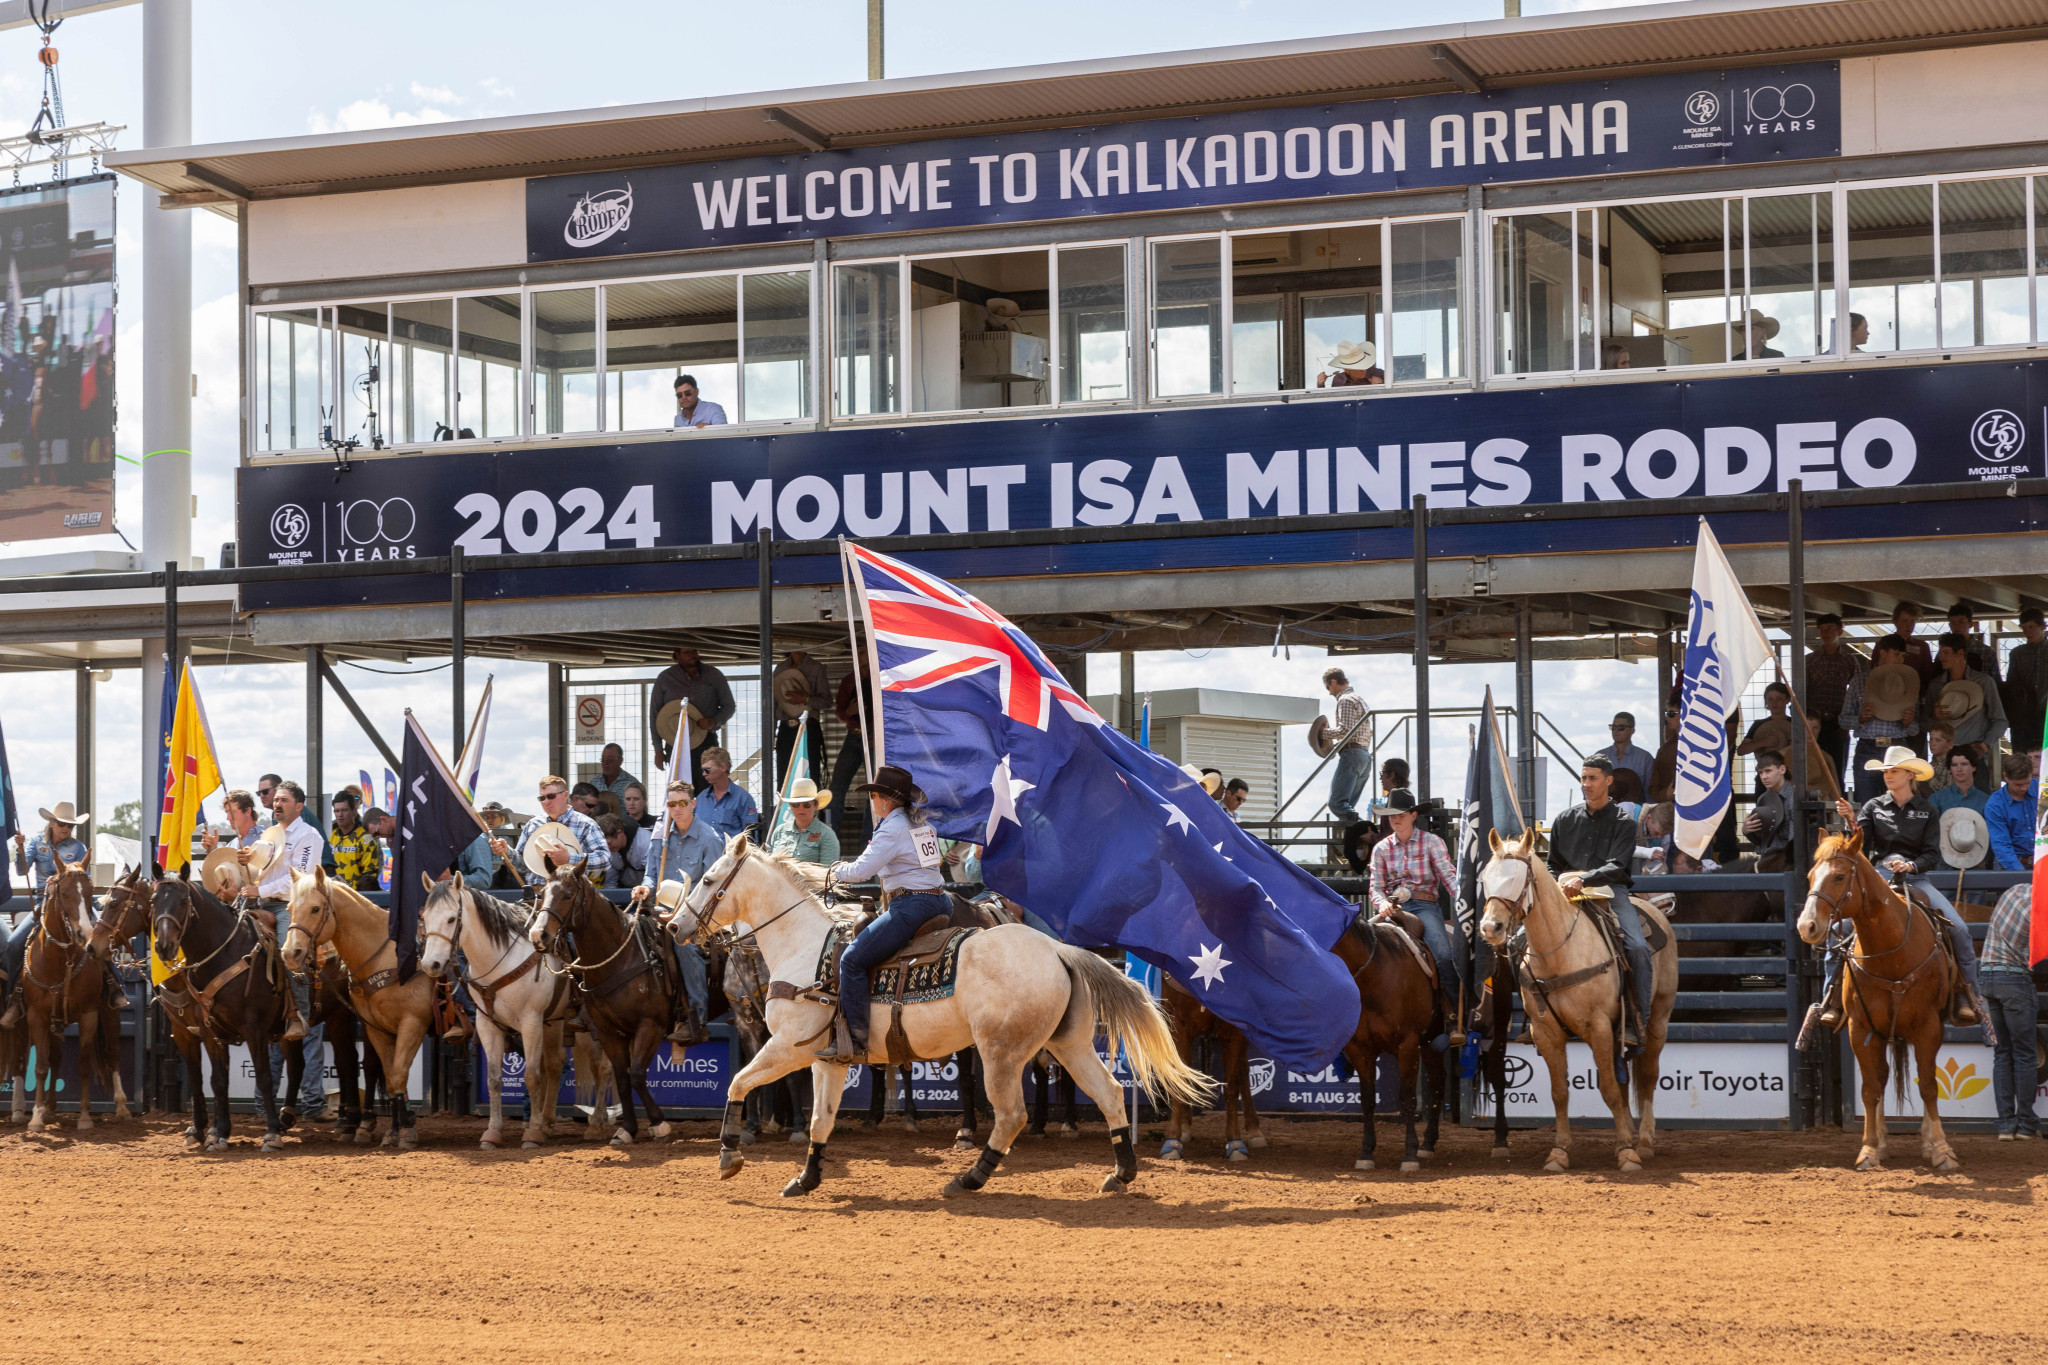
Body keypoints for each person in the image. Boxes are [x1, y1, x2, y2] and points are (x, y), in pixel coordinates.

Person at [1821, 746, 1987, 1034]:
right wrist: (1850, 820)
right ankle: (1830, 999)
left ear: (1910, 775)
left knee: (1959, 929)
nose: (1888, 775)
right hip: (1879, 878)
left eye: (1894, 771)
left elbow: (1932, 854)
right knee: (1839, 929)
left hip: (1917, 879)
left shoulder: (1928, 809)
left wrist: (1911, 866)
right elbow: (1859, 845)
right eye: (1885, 771)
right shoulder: (1873, 806)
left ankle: (1968, 995)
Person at [818, 766, 949, 1061]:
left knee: (851, 960)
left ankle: (856, 1040)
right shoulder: (922, 823)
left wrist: (836, 870)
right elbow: (934, 863)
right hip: (941, 902)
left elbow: (862, 870)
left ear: (886, 801)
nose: (872, 802)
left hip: (911, 907)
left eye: (874, 796)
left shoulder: (892, 827)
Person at [1547, 756, 1652, 1056]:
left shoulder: (1622, 821)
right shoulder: (1564, 820)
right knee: (1522, 941)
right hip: (1566, 890)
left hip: (1609, 890)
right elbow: (1553, 864)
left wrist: (1583, 879)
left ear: (1608, 781)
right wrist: (1558, 886)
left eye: (1592, 778)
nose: (1586, 784)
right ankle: (1535, 1014)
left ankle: (1637, 1019)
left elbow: (1618, 866)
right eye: (1583, 778)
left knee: (1637, 947)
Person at [1366, 788, 1463, 1043]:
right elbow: (1375, 886)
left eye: (1401, 814)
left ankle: (1453, 1015)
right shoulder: (1380, 849)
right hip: (1393, 909)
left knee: (1442, 953)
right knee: (1361, 952)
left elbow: (1448, 876)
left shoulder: (1431, 842)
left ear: (1413, 815)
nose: (1395, 819)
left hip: (1424, 906)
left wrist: (1464, 902)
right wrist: (1382, 903)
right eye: (1391, 815)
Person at [632, 780, 724, 1045]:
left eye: (683, 803)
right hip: (659, 909)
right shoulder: (659, 839)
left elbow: (715, 887)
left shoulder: (709, 838)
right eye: (672, 803)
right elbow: (650, 875)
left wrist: (684, 906)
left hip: (696, 913)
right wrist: (644, 888)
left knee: (683, 945)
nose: (677, 808)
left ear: (693, 804)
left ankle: (697, 1018)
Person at [255, 782, 324, 1114]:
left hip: (288, 906)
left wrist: (258, 887)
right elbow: (257, 869)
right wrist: (245, 865)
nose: (277, 804)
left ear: (299, 806)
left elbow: (302, 878)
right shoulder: (268, 835)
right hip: (258, 899)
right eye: (275, 800)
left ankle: (300, 1015)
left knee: (291, 954)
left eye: (283, 800)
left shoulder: (309, 836)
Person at [0, 801, 96, 1028]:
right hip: (45, 902)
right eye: (62, 824)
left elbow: (84, 875)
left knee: (101, 931)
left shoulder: (79, 848)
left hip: (74, 902)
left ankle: (114, 986)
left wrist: (64, 878)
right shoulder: (35, 843)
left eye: (70, 826)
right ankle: (15, 998)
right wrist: (21, 851)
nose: (66, 829)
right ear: (52, 823)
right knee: (13, 944)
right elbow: (22, 870)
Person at [1980, 883, 2038, 1140]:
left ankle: (2005, 1124)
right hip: (2014, 978)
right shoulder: (2041, 910)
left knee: (2001, 1052)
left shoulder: (2015, 890)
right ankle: (2026, 1124)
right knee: (2024, 1052)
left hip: (1987, 976)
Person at [1840, 633, 1922, 802]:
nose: (1900, 660)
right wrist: (1860, 719)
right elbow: (1843, 719)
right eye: (1896, 654)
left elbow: (1916, 728)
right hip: (1867, 748)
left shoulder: (1908, 683)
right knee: (1867, 803)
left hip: (1898, 747)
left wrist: (1908, 723)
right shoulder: (1860, 681)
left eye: (1902, 656)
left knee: (1900, 803)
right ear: (1882, 653)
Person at [492, 775, 608, 890]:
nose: (546, 802)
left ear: (565, 795)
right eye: (542, 798)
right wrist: (507, 851)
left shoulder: (586, 824)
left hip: (569, 896)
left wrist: (568, 858)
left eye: (551, 796)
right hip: (536, 894)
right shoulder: (533, 825)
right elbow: (523, 865)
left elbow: (605, 859)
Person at [1925, 631, 2006, 792]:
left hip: (1973, 755)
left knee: (1979, 807)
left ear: (1960, 653)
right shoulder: (1936, 685)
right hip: (1943, 759)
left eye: (1946, 652)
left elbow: (2000, 720)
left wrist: (1984, 746)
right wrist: (1935, 716)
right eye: (1940, 652)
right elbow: (1923, 722)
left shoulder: (1984, 682)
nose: (1941, 657)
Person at [648, 646, 736, 788]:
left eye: (694, 651)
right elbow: (655, 716)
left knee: (709, 786)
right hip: (675, 742)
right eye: (687, 652)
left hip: (707, 742)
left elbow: (729, 706)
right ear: (677, 655)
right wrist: (658, 750)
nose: (692, 655)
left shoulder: (714, 675)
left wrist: (713, 720)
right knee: (681, 789)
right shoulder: (665, 678)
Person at [1804, 613, 1865, 781]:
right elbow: (1801, 692)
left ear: (1840, 632)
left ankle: (1837, 804)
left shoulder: (1850, 660)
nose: (1825, 633)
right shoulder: (1810, 660)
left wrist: (1846, 725)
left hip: (1839, 723)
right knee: (1812, 768)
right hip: (1814, 724)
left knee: (1838, 770)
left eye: (1830, 629)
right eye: (1822, 629)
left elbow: (1858, 694)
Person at [771, 649, 831, 791]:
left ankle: (812, 811)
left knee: (810, 776)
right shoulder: (780, 668)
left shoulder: (817, 667)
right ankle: (784, 811)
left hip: (808, 727)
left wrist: (806, 699)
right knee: (784, 777)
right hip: (785, 728)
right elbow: (774, 704)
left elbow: (827, 701)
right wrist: (771, 734)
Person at [1321, 667, 1373, 824]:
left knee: (1337, 804)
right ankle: (1360, 830)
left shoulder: (1345, 700)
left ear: (1334, 682)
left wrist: (1323, 733)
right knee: (1348, 805)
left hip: (1352, 754)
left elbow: (1346, 729)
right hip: (1364, 755)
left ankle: (1363, 827)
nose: (1329, 693)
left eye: (1328, 687)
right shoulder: (1358, 698)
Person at [829, 652, 876, 820]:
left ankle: (869, 841)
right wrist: (850, 711)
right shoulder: (849, 681)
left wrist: (876, 735)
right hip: (853, 736)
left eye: (864, 652)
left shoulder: (881, 678)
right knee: (836, 787)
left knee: (874, 789)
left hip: (873, 738)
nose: (862, 657)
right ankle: (830, 832)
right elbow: (840, 714)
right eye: (860, 654)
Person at [2002, 607, 2047, 754]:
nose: (2028, 632)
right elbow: (2012, 686)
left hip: (2045, 713)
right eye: (2024, 628)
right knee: (2022, 758)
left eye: (2031, 627)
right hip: (2023, 715)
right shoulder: (2017, 653)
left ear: (2043, 627)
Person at [1985, 752, 2039, 872]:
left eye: (2027, 783)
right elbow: (2002, 846)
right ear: (2006, 777)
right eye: (2018, 784)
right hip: (2010, 863)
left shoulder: (2042, 790)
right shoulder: (1995, 804)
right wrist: (2020, 875)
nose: (2024, 788)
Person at [768, 778, 840, 865]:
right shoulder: (779, 831)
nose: (801, 808)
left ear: (815, 805)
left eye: (807, 804)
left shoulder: (827, 835)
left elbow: (827, 874)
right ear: (790, 806)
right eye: (796, 804)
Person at [694, 748, 758, 842]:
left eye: (707, 770)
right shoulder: (700, 799)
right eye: (702, 770)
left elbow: (751, 838)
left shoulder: (743, 799)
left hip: (730, 855)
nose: (704, 774)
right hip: (703, 855)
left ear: (723, 768)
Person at [1743, 751, 1795, 861]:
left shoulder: (1793, 797)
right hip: (1768, 859)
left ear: (1782, 769)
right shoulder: (1763, 798)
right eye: (1760, 772)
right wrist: (1747, 831)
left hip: (1788, 860)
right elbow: (1763, 840)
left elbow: (1795, 840)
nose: (1764, 777)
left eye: (1768, 771)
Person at [327, 787, 381, 892]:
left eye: (344, 810)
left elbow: (370, 875)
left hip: (357, 897)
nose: (340, 815)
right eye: (337, 811)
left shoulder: (366, 838)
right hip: (333, 896)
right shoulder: (330, 835)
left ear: (353, 811)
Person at [1592, 711, 1656, 795]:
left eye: (1621, 727)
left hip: (1637, 807)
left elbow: (1650, 791)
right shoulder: (1599, 757)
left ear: (1632, 730)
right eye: (1613, 727)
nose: (1615, 731)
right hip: (1604, 807)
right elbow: (1589, 784)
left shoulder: (1645, 758)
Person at [1944, 602, 1997, 679]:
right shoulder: (1945, 651)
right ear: (1949, 625)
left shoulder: (1987, 652)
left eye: (1961, 622)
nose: (1957, 626)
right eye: (1953, 622)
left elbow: (1996, 682)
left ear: (1970, 624)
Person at [1890, 603, 1937, 687]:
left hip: (1914, 693)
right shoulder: (1884, 644)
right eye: (1904, 621)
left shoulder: (1922, 646)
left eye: (1912, 621)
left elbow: (1927, 675)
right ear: (1894, 621)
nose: (1909, 626)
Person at [1930, 750, 1989, 816]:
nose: (1959, 769)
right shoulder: (1936, 799)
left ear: (1974, 767)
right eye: (1954, 765)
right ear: (1950, 769)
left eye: (1964, 764)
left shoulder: (1986, 800)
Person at [598, 813, 648, 890]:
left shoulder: (646, 843)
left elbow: (654, 876)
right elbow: (610, 881)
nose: (608, 848)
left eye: (609, 843)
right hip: (624, 891)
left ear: (620, 832)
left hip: (647, 891)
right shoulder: (608, 850)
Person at [1314, 340, 1383, 387]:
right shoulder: (1338, 380)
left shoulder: (1379, 374)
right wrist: (1320, 385)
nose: (1364, 370)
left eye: (1364, 365)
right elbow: (1333, 405)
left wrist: (1381, 386)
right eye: (1358, 367)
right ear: (1347, 370)